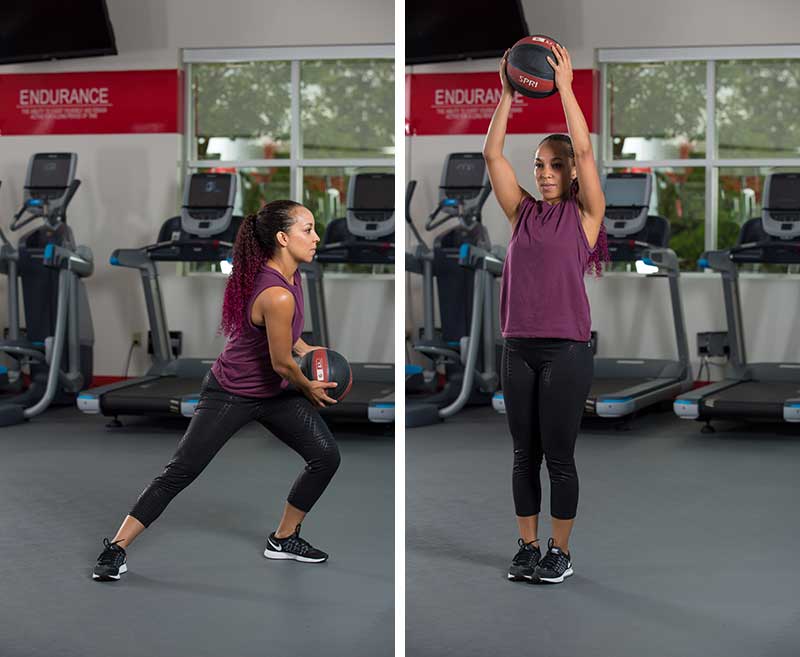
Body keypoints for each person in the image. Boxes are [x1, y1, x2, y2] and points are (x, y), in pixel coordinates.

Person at [92, 200, 341, 581]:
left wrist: (315, 353)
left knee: (325, 455)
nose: (316, 237)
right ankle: (116, 549)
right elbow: (281, 363)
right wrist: (309, 386)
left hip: (273, 393)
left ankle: (284, 538)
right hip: (232, 392)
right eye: (307, 229)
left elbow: (290, 341)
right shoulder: (276, 293)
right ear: (281, 238)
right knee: (181, 471)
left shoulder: (292, 277)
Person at [483, 43, 608, 584]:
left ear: (571, 175)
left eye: (555, 165)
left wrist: (564, 90)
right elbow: (492, 156)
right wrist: (508, 95)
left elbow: (584, 152)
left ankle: (560, 551)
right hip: (519, 349)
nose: (546, 172)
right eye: (539, 165)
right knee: (521, 455)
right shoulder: (521, 213)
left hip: (566, 351)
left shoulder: (585, 216)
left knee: (559, 456)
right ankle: (527, 546)